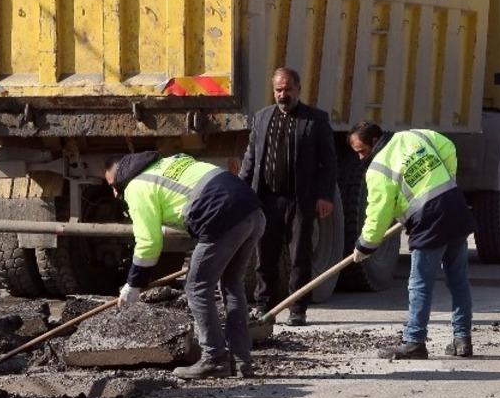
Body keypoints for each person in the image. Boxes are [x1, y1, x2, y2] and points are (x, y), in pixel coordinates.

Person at [106, 151, 266, 380]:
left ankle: (214, 359)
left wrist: (133, 284)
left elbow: (149, 243)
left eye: (113, 186)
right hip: (252, 209)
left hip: (223, 215)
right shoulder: (167, 163)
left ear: (122, 178)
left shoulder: (136, 187)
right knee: (231, 284)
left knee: (196, 287)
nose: (114, 193)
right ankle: (242, 361)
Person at [347, 122, 476, 360]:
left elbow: (378, 211)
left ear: (375, 140)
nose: (360, 157)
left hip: (429, 221)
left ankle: (415, 341)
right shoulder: (417, 135)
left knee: (420, 285)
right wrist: (445, 183)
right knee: (458, 280)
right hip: (454, 207)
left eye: (362, 150)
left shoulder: (378, 168)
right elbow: (448, 148)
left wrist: (366, 244)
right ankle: (462, 339)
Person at [238, 68, 336, 327]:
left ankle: (297, 308)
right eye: (278, 90)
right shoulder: (261, 118)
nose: (283, 95)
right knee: (264, 254)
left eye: (287, 89)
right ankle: (263, 305)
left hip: (300, 200)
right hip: (266, 199)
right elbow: (251, 159)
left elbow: (329, 162)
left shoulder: (315, 120)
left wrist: (325, 195)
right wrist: (238, 190)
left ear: (298, 89)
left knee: (299, 256)